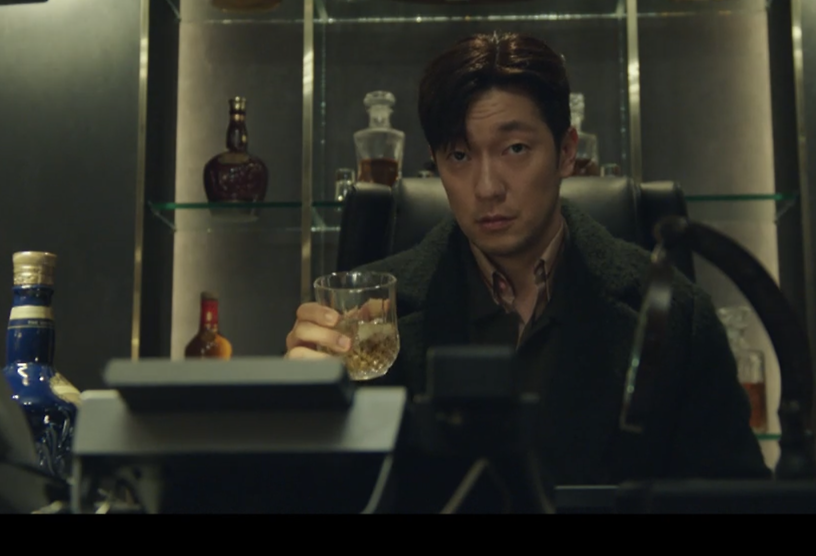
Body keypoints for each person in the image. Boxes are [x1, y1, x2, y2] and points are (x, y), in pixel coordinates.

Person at [285, 32, 770, 507]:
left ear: (566, 152)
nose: (487, 187)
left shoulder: (674, 315)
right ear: (435, 164)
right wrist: (301, 416)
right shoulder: (368, 322)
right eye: (459, 155)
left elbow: (736, 501)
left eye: (515, 149)